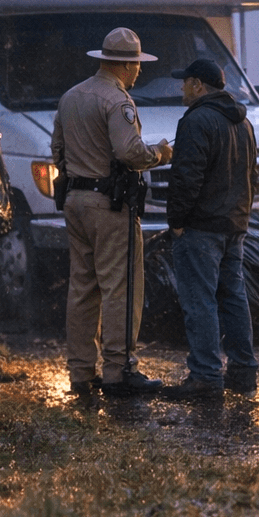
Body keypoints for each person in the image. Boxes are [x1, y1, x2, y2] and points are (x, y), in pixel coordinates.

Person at [51, 27, 172, 397]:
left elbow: (57, 149)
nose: (139, 73)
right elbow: (129, 152)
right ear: (127, 66)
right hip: (110, 206)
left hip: (75, 201)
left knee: (82, 288)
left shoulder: (71, 96)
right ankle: (120, 370)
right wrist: (160, 153)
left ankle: (80, 371)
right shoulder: (118, 101)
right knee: (120, 287)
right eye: (137, 66)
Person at [161, 58, 259, 399]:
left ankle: (205, 376)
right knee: (233, 297)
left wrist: (176, 222)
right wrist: (241, 216)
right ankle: (243, 372)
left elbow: (186, 178)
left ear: (198, 85)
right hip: (234, 225)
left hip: (201, 227)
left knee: (200, 301)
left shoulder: (195, 121)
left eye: (185, 82)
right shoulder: (244, 123)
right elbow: (252, 176)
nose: (182, 88)